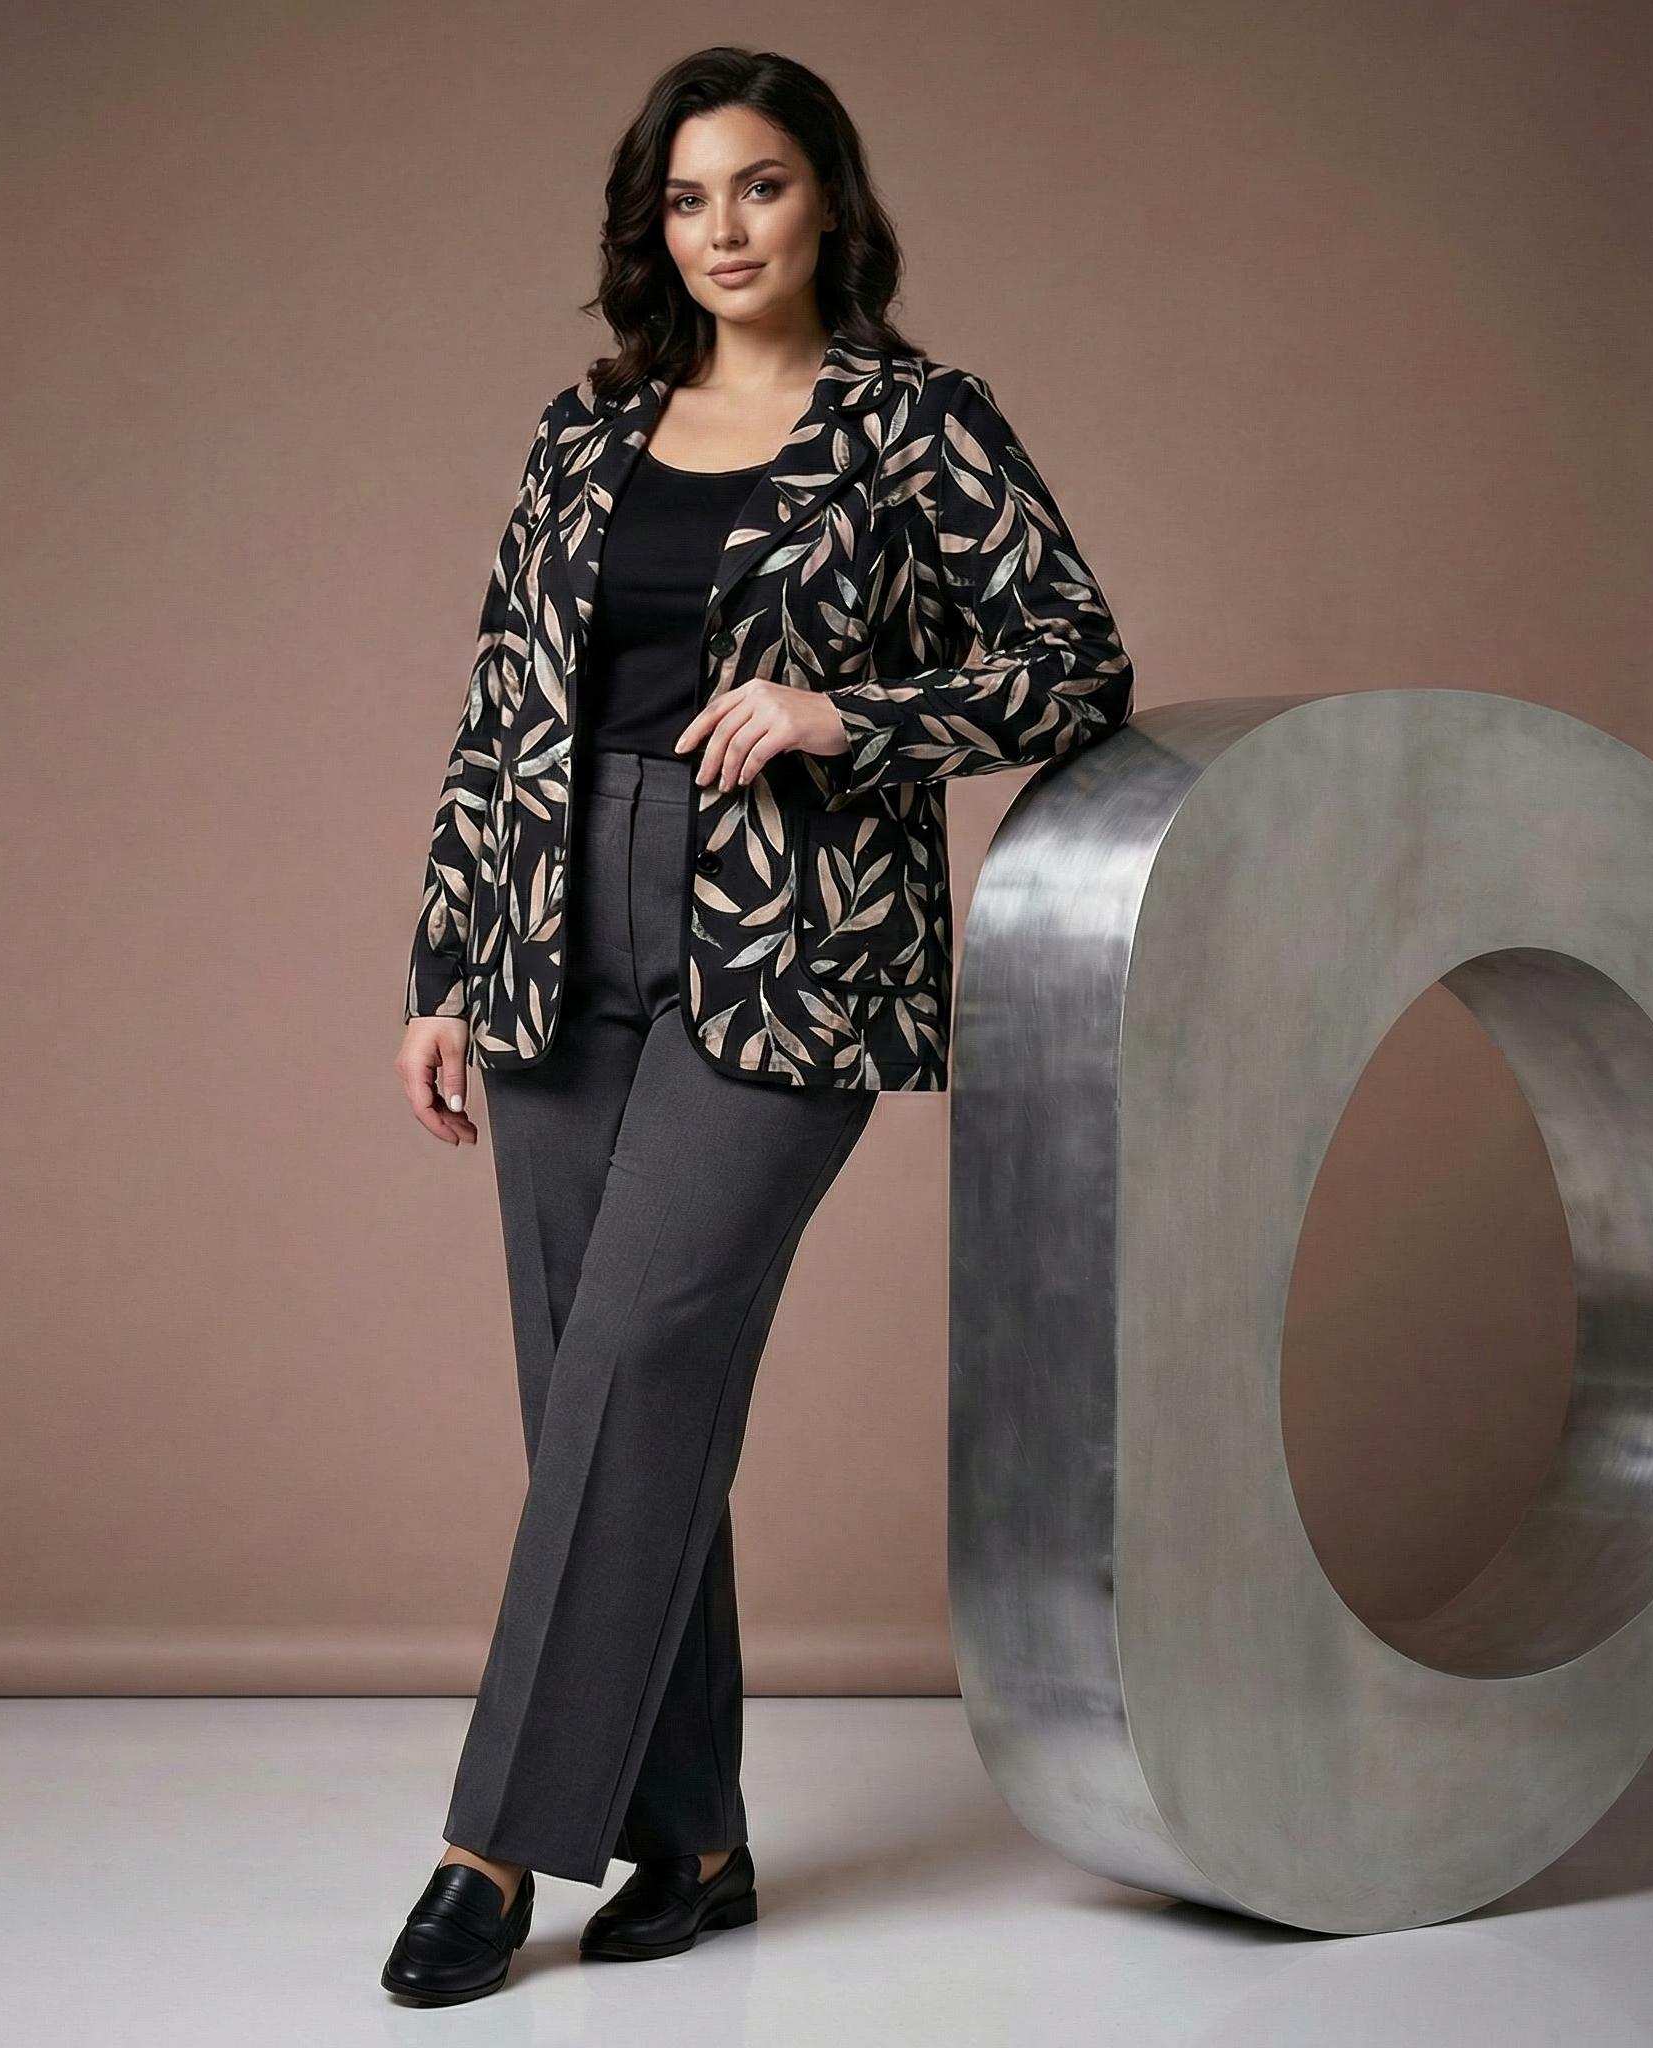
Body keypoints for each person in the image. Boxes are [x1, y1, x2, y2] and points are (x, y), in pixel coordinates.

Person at [383, 44, 1134, 2006]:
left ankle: (488, 1847)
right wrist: (446, 965)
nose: (724, 230)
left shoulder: (917, 423)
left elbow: (1075, 664)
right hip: (555, 929)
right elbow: (501, 706)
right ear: (654, 227)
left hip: (791, 943)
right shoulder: (584, 431)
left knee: (639, 1359)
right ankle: (695, 1834)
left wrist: (839, 715)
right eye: (688, 198)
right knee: (601, 1401)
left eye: (762, 186)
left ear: (829, 202)